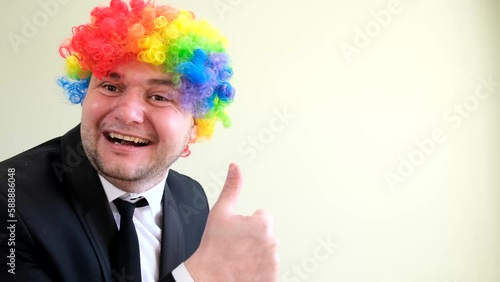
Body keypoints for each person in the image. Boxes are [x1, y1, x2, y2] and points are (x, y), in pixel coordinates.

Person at [0, 0, 279, 281]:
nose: (127, 113)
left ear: (195, 125)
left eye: (159, 97)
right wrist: (198, 275)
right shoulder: (8, 199)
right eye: (110, 87)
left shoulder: (191, 198)